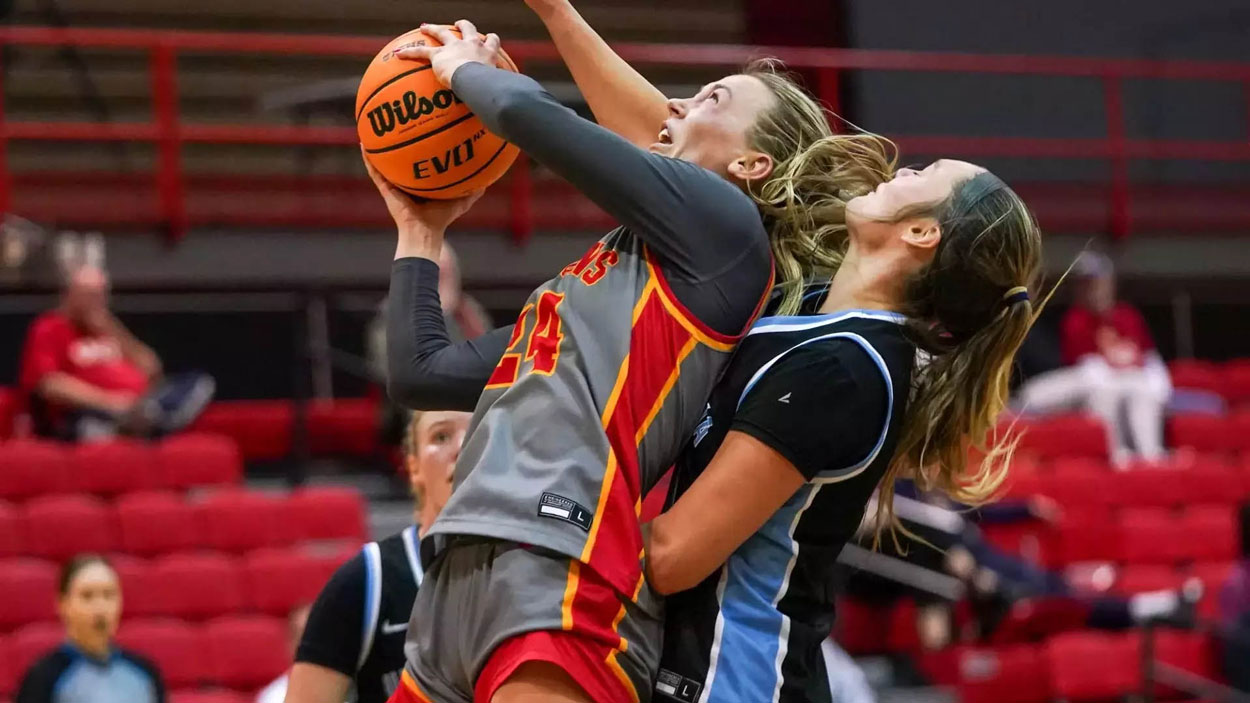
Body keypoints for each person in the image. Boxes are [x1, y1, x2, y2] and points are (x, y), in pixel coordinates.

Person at [375, 15, 895, 703]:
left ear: (752, 165)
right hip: (464, 555)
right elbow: (421, 373)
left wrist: (465, 69)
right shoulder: (596, 279)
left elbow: (525, 115)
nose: (676, 104)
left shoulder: (728, 234)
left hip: (565, 559)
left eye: (712, 100)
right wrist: (419, 231)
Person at [645, 161, 1044, 702]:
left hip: (736, 678)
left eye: (923, 172)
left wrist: (545, 517)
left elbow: (672, 557)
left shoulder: (842, 370)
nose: (903, 167)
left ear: (921, 232)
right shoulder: (816, 309)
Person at [285, 410, 471, 703]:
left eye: (478, 433)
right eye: (441, 436)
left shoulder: (536, 571)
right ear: (414, 466)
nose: (462, 447)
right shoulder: (368, 580)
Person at [18, 263, 215, 442]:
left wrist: (113, 329)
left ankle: (147, 421)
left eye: (101, 295)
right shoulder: (49, 327)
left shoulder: (107, 328)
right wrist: (111, 402)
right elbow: (50, 385)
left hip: (139, 405)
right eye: (89, 295)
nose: (97, 302)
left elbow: (152, 368)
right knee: (92, 425)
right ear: (68, 295)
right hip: (87, 412)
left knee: (198, 382)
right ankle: (146, 426)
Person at [1014, 251, 1171, 466]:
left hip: (1125, 386)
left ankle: (1149, 458)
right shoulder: (1073, 319)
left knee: (1138, 393)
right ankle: (1116, 457)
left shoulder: (1127, 316)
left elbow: (1149, 364)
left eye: (1097, 283)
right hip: (1074, 390)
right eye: (1085, 285)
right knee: (1099, 389)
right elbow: (1082, 369)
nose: (1093, 290)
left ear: (1110, 283)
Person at [17, 555, 166, 703]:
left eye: (109, 595)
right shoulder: (43, 677)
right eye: (87, 596)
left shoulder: (144, 672)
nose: (100, 608)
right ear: (62, 604)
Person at [255, 604, 311, 703]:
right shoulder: (273, 697)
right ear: (290, 643)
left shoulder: (346, 693)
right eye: (301, 638)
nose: (310, 647)